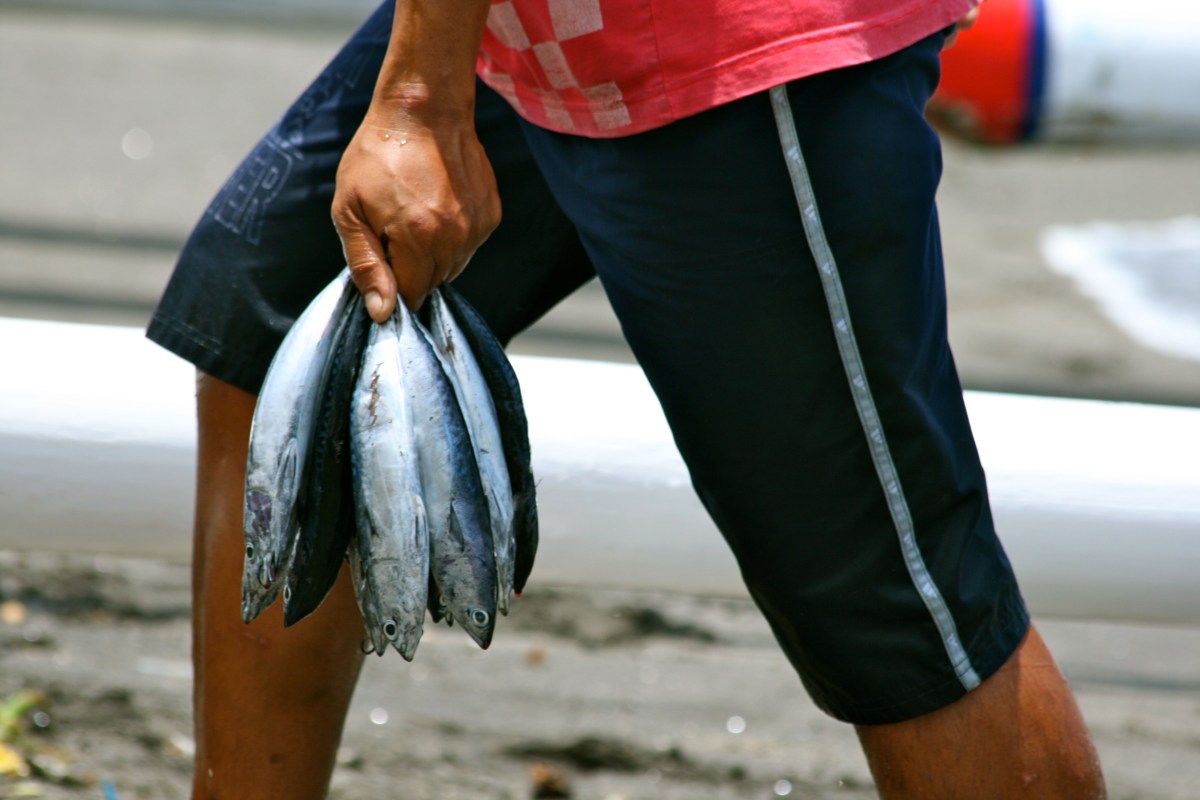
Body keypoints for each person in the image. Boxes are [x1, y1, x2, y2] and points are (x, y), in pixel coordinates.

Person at [146, 0, 1107, 797]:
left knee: (896, 602)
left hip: (723, 45)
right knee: (272, 334)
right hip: (535, 30)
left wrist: (418, 98)